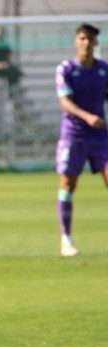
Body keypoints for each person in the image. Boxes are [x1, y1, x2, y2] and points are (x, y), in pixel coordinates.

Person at [55, 24, 108, 257]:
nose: (86, 43)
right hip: (74, 134)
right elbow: (65, 102)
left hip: (100, 135)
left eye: (90, 39)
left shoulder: (104, 69)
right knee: (68, 185)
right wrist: (88, 117)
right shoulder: (66, 68)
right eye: (82, 38)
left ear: (96, 43)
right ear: (77, 41)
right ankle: (66, 239)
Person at [0, 26, 22, 92]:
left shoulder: (6, 46)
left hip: (4, 66)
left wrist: (4, 64)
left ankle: (12, 93)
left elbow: (9, 59)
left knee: (13, 73)